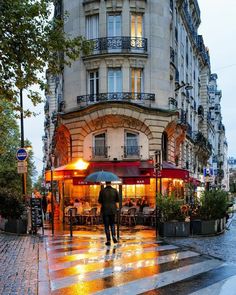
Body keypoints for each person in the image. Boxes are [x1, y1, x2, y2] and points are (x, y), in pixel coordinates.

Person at [98, 181, 119, 246]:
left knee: (106, 226)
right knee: (112, 224)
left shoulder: (102, 191)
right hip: (113, 210)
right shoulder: (115, 190)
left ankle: (108, 240)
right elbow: (117, 200)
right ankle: (114, 236)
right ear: (111, 183)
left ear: (105, 183)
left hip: (105, 210)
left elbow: (99, 201)